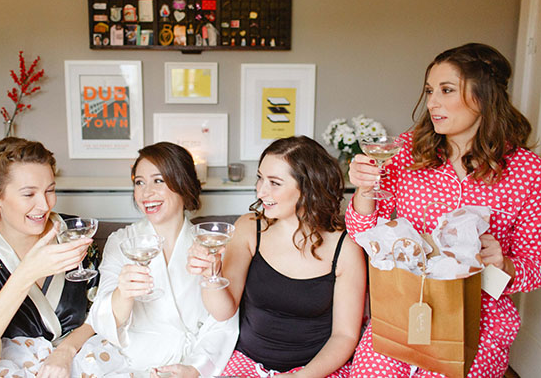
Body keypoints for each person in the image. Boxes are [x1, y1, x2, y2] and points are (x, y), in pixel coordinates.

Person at [347, 43, 541, 377]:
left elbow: (534, 268)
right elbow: (364, 233)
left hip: (478, 322)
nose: (432, 102)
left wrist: (503, 262)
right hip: (404, 307)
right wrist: (363, 190)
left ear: (485, 95)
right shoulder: (406, 152)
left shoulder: (526, 171)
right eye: (429, 91)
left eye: (446, 90)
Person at [188, 136, 367, 377]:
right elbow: (223, 311)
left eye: (274, 182)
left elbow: (344, 336)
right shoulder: (249, 228)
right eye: (260, 178)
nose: (261, 191)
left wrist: (299, 376)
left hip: (314, 370)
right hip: (247, 362)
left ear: (308, 188)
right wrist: (211, 274)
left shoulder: (345, 248)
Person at [73, 142, 238, 378]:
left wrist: (195, 368)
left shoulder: (211, 244)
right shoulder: (122, 241)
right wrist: (124, 293)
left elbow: (223, 322)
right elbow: (103, 318)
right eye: (139, 182)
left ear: (183, 184)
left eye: (158, 180)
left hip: (192, 363)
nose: (145, 192)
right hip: (129, 362)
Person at [0, 137, 99, 378]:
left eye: (50, 190)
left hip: (79, 360)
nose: (44, 205)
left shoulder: (75, 235)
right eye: (28, 194)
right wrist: (26, 275)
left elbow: (102, 312)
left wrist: (64, 351)